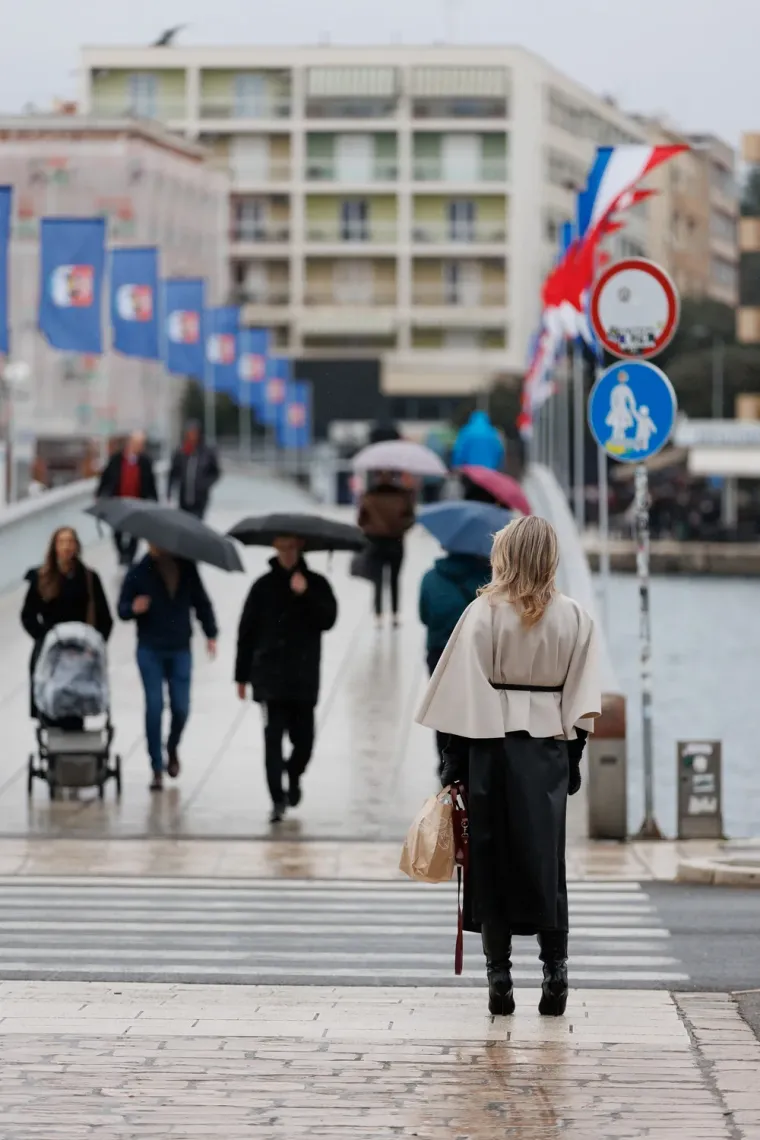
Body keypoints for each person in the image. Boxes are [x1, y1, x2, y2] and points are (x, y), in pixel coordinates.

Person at [417, 517, 601, 1018]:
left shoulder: (482, 613)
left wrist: (452, 763)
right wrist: (573, 758)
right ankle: (555, 972)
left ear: (507, 554)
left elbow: (460, 695)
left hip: (490, 749)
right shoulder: (574, 616)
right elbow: (582, 698)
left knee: (489, 862)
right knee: (547, 864)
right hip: (547, 752)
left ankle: (499, 977)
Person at [235, 536, 337, 823]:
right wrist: (241, 676)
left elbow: (328, 619)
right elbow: (246, 632)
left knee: (304, 742)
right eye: (282, 548)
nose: (288, 553)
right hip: (270, 678)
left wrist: (306, 594)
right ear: (275, 549)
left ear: (300, 548)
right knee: (272, 739)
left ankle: (293, 773)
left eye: (292, 548)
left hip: (303, 678)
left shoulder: (316, 583)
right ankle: (276, 799)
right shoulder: (262, 586)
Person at [118, 546, 218, 791]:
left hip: (180, 647)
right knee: (154, 706)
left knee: (181, 708)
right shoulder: (139, 571)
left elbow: (201, 602)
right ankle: (156, 766)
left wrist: (211, 633)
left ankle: (172, 745)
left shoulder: (186, 567)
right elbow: (121, 608)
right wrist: (133, 608)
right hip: (150, 648)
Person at [21, 526, 113, 725]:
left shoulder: (88, 578)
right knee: (49, 707)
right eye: (62, 542)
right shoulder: (42, 578)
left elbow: (105, 619)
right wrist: (44, 637)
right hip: (50, 652)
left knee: (75, 707)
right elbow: (28, 615)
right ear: (54, 547)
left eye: (70, 542)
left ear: (77, 546)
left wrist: (94, 646)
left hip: (79, 653)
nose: (66, 547)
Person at [418, 550, 491, 776]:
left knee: (442, 708)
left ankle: (445, 761)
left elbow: (424, 615)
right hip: (474, 653)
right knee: (472, 706)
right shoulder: (487, 580)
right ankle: (469, 759)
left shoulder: (430, 577)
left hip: (439, 652)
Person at [357, 473, 415, 628]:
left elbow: (361, 520)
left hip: (375, 542)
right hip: (396, 541)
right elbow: (410, 519)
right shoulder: (402, 496)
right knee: (395, 579)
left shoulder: (369, 496)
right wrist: (399, 528)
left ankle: (378, 615)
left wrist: (372, 529)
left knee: (378, 580)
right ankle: (395, 614)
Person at [97, 431, 158, 566]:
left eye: (141, 444)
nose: (140, 447)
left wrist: (154, 500)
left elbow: (151, 483)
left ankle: (130, 556)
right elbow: (105, 478)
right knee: (117, 529)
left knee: (135, 531)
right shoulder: (116, 459)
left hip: (137, 502)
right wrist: (100, 494)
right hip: (118, 501)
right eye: (137, 444)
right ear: (130, 443)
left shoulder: (145, 462)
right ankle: (122, 553)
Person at [168, 422, 221, 520]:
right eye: (189, 434)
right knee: (184, 521)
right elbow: (173, 473)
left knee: (197, 522)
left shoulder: (206, 452)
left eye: (194, 433)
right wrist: (170, 491)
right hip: (184, 496)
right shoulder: (181, 452)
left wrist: (205, 484)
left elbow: (215, 472)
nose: (192, 436)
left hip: (200, 497)